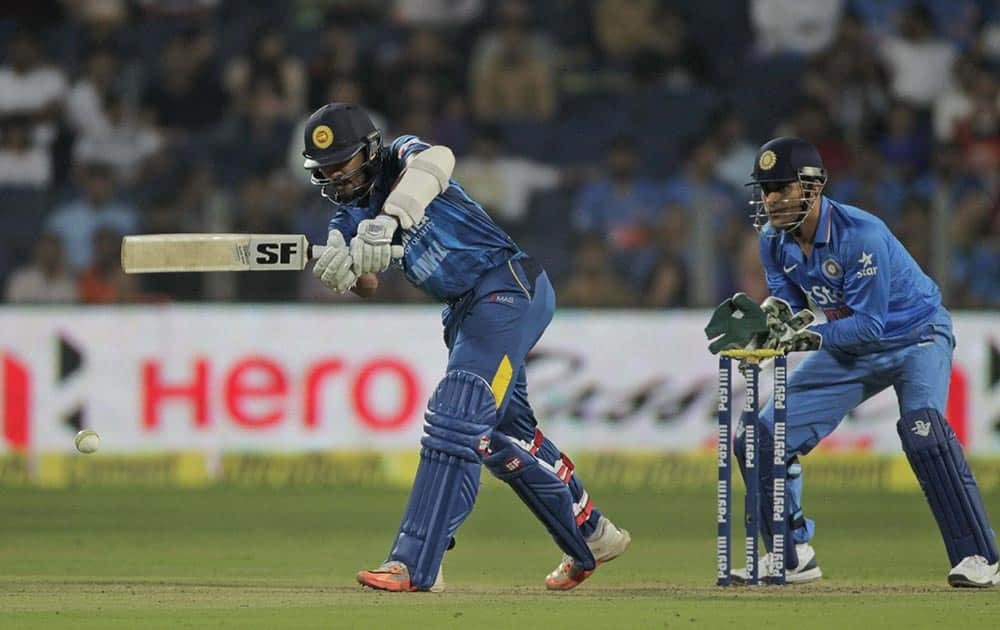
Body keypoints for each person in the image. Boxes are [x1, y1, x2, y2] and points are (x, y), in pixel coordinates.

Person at [302, 102, 630, 592]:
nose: (333, 177)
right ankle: (592, 533)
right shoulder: (346, 214)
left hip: (507, 286)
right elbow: (366, 280)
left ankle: (415, 564)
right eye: (323, 171)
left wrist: (391, 221)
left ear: (369, 152)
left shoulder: (402, 158)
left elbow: (440, 162)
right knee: (503, 435)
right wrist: (342, 270)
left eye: (340, 164)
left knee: (458, 412)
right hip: (465, 314)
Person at [707, 136, 999, 587]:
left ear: (813, 188)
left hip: (915, 337)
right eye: (765, 189)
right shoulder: (772, 241)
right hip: (848, 348)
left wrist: (800, 338)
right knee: (757, 438)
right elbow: (787, 305)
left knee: (924, 433)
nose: (771, 199)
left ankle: (980, 556)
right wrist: (763, 323)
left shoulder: (860, 235)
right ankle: (789, 555)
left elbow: (870, 327)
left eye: (781, 187)